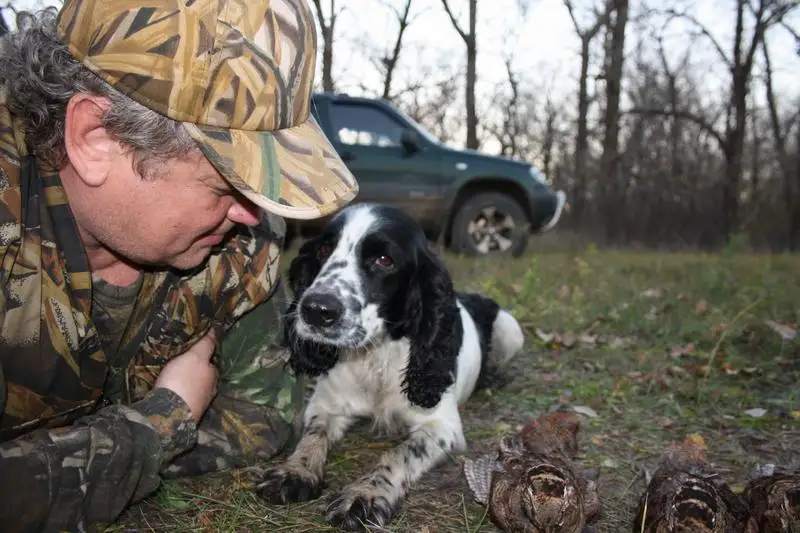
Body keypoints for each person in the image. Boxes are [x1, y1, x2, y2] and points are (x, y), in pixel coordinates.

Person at [0, 0, 358, 531]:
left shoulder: (234, 239)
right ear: (96, 139)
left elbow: (263, 420)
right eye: (225, 184)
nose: (250, 213)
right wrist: (162, 421)